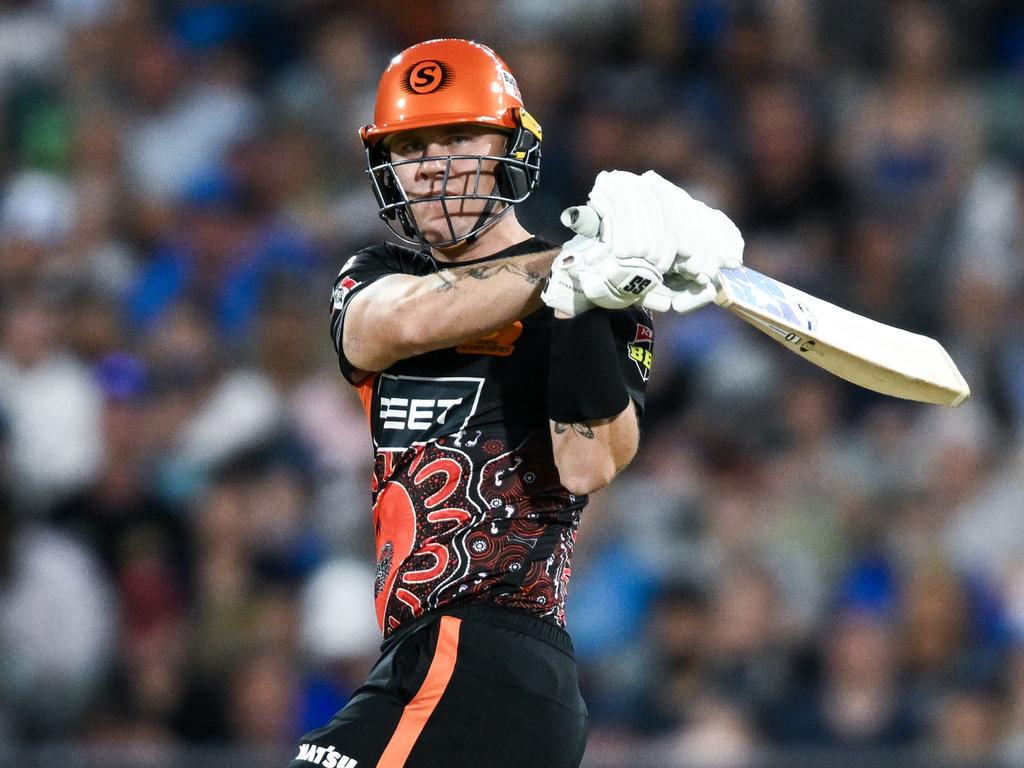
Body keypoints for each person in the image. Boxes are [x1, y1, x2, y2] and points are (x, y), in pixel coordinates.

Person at [289, 38, 742, 768]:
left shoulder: (598, 297)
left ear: (509, 148)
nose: (434, 167)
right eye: (411, 146)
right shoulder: (375, 274)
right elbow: (402, 323)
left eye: (460, 138)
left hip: (485, 655)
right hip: (434, 665)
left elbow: (591, 461)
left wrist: (588, 300)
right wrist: (571, 263)